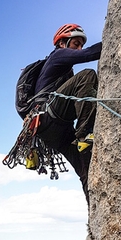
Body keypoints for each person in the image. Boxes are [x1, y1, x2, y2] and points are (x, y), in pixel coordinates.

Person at [34, 23, 102, 203]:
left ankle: (93, 217)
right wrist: (115, 38)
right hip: (49, 116)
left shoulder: (66, 72)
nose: (79, 48)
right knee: (87, 75)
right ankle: (84, 134)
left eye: (80, 45)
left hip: (55, 132)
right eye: (76, 44)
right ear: (63, 43)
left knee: (85, 167)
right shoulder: (58, 55)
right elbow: (88, 55)